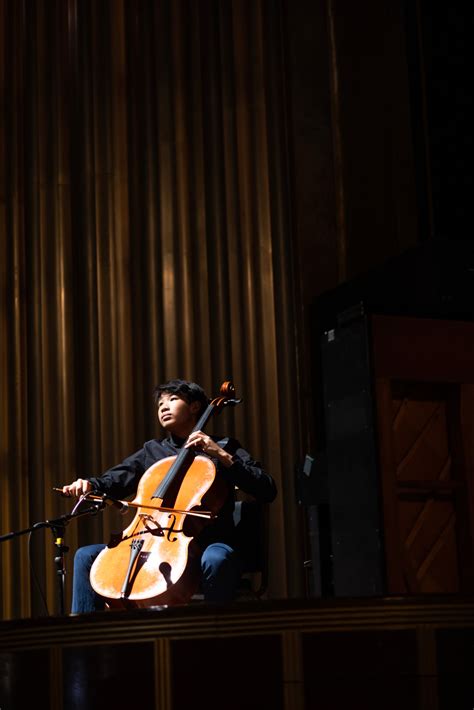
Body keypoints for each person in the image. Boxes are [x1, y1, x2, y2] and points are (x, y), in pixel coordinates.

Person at [62, 379, 277, 612]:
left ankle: (217, 637)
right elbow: (113, 481)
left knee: (217, 559)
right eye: (160, 404)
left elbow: (266, 489)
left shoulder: (224, 446)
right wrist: (90, 485)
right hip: (152, 545)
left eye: (172, 400)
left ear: (195, 407)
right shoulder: (152, 451)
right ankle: (84, 643)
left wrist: (220, 454)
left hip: (206, 546)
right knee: (86, 556)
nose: (163, 407)